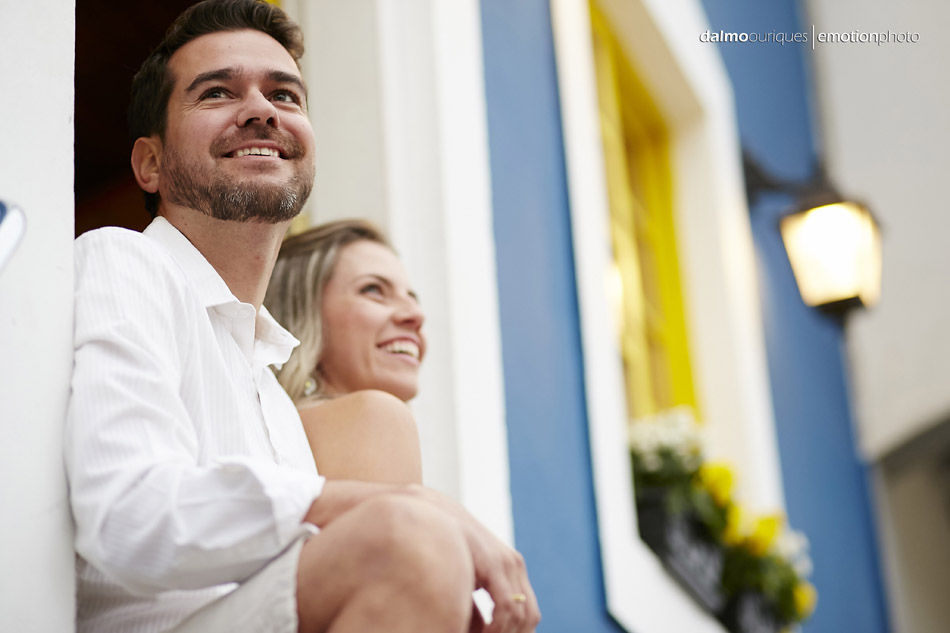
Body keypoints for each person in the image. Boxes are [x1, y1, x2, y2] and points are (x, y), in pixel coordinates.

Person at [65, 2, 540, 633]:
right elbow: (127, 514)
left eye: (284, 95)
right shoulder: (121, 261)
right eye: (217, 92)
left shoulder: (272, 395)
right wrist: (406, 511)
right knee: (413, 542)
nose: (261, 110)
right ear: (150, 163)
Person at [265, 220, 426, 486]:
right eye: (373, 290)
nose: (416, 315)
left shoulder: (271, 432)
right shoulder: (377, 416)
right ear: (301, 314)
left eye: (412, 297)